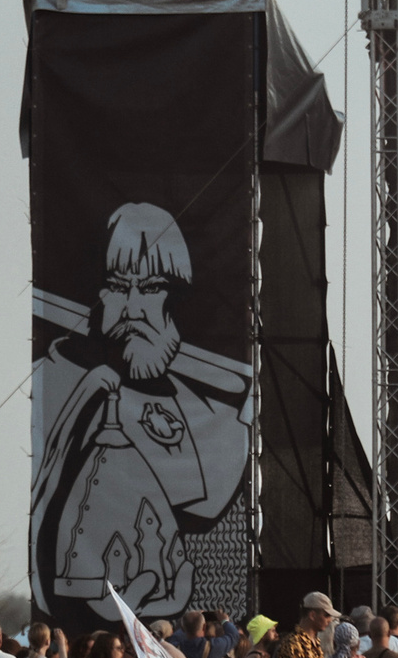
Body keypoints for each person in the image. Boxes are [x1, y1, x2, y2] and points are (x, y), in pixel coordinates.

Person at [30, 202, 252, 626]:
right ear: (101, 294)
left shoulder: (203, 410)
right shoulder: (61, 378)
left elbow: (206, 505)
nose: (132, 306)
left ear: (174, 298)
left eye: (150, 288)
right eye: (118, 285)